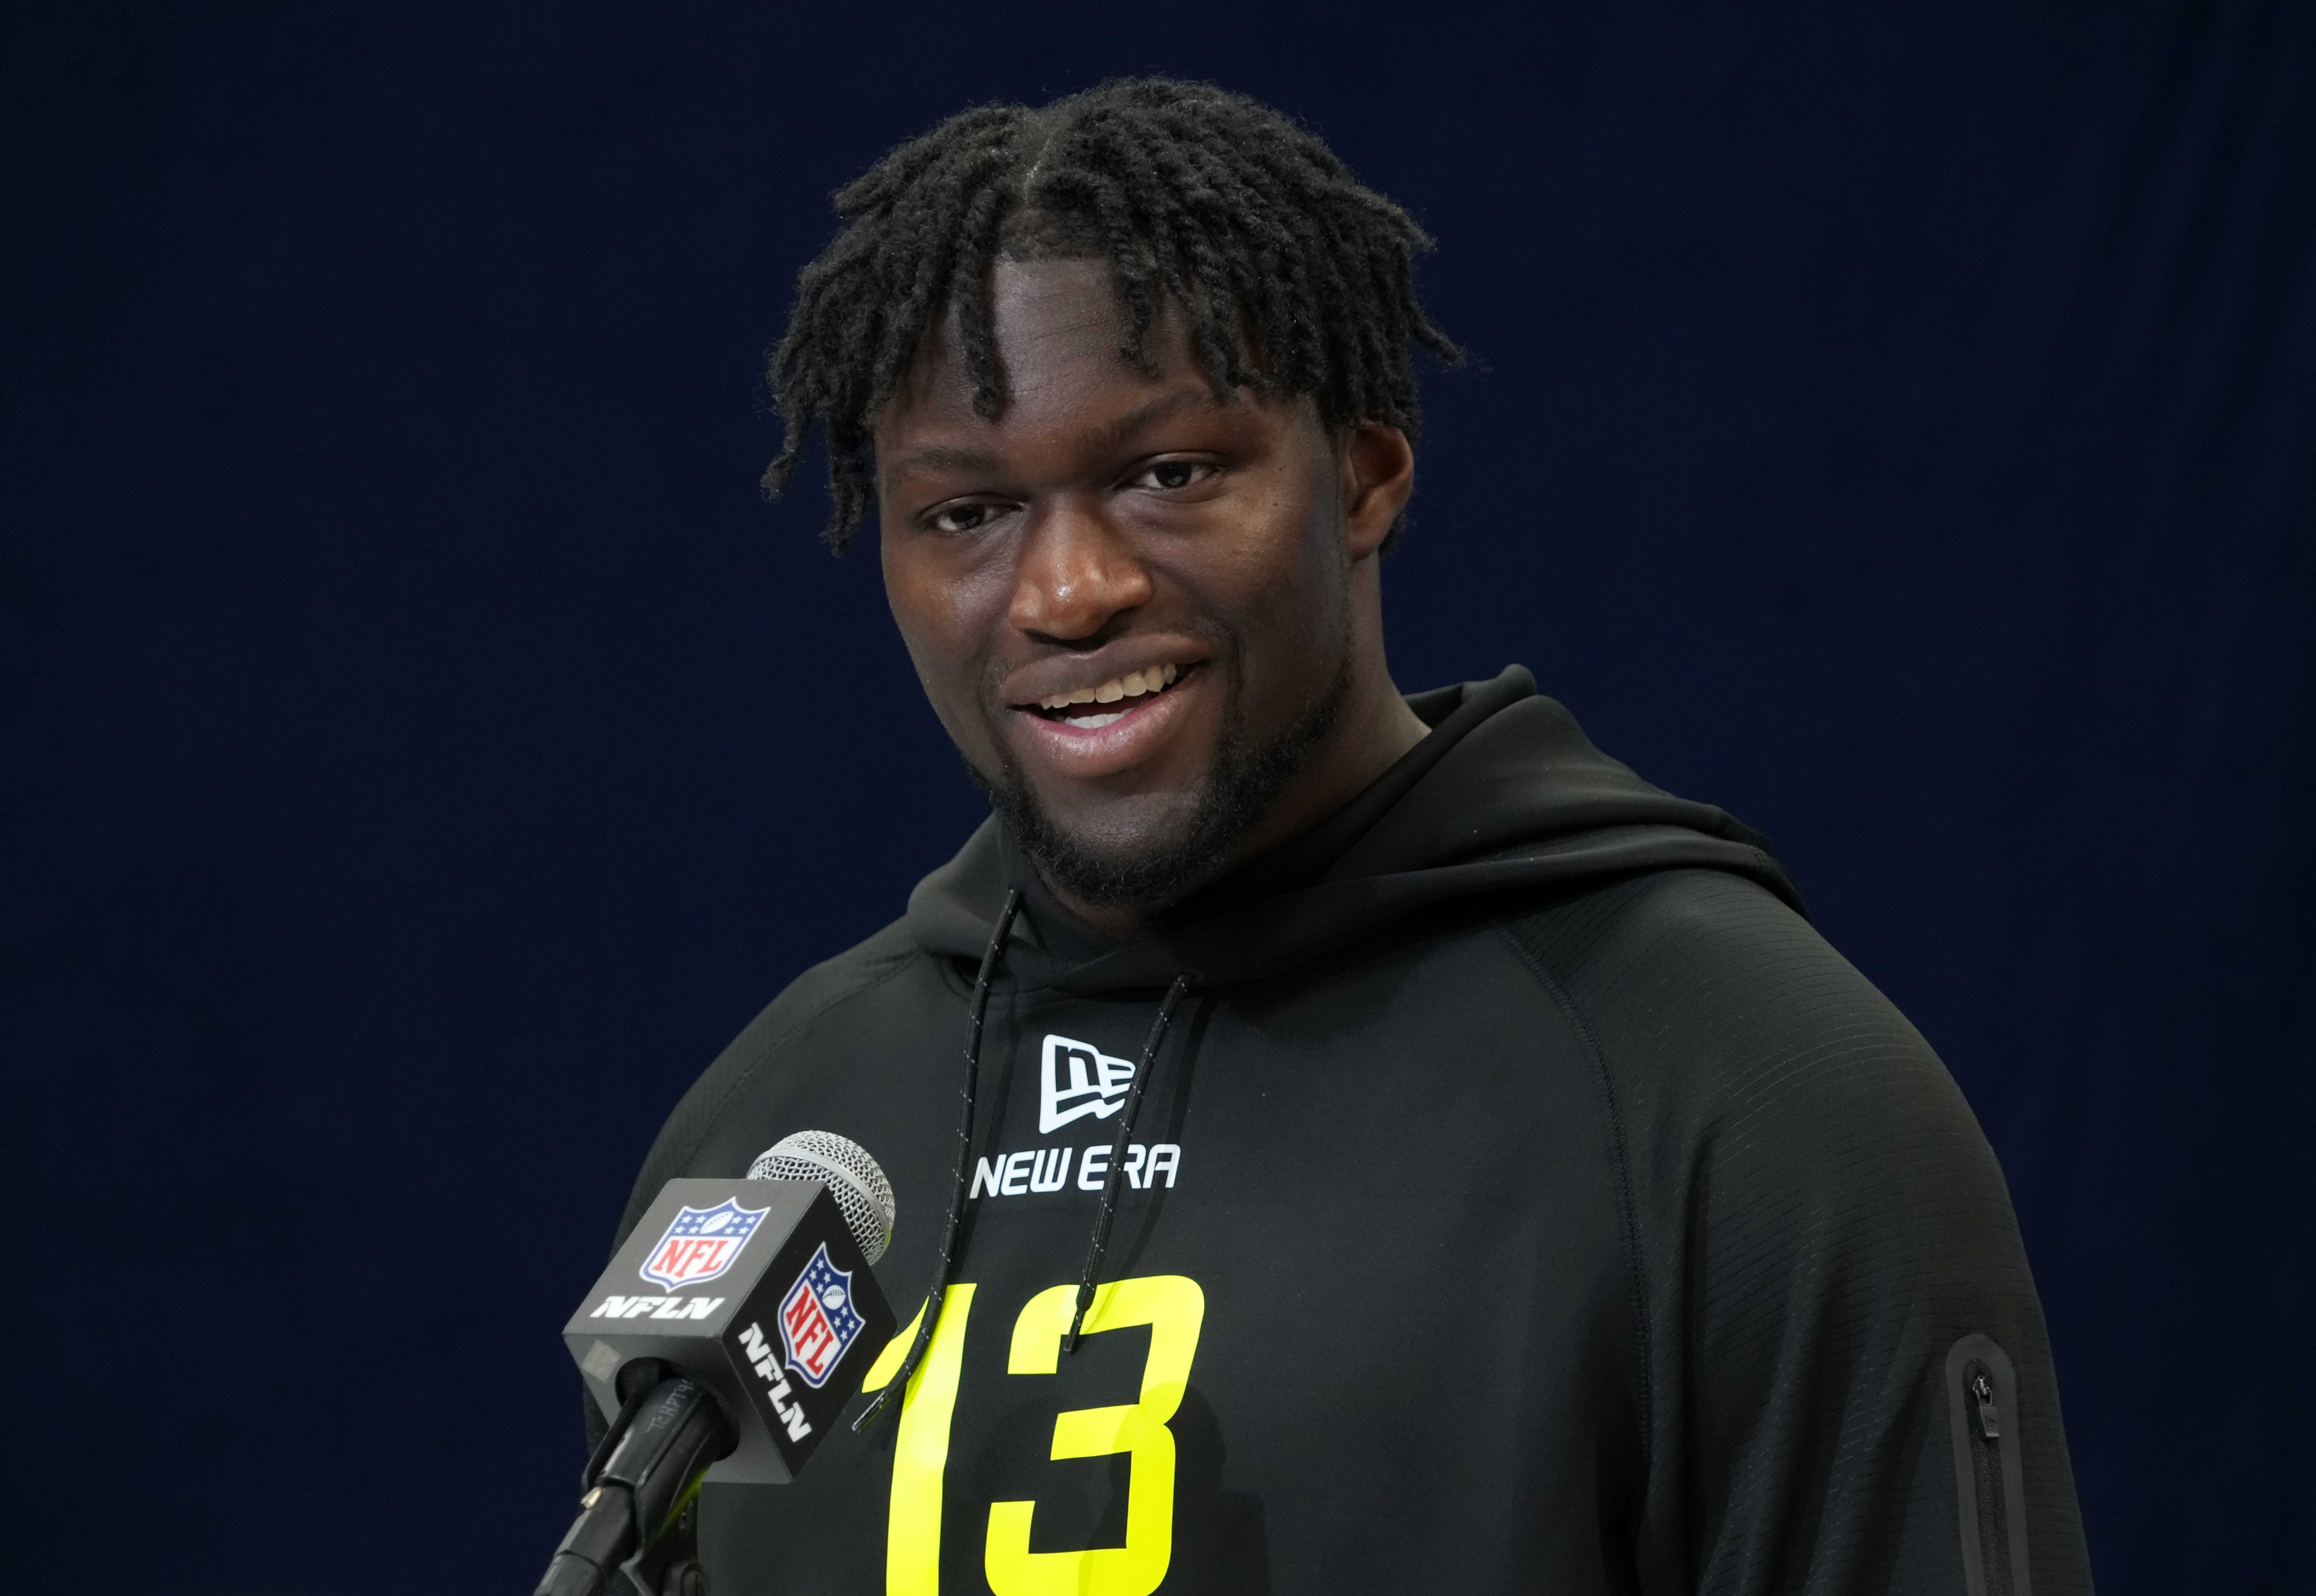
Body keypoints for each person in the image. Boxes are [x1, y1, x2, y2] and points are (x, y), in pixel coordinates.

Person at [603, 78, 2092, 1595]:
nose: (1067, 591)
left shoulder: (1739, 1089)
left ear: (1369, 474)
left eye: (1168, 474)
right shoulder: (785, 1127)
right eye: (966, 513)